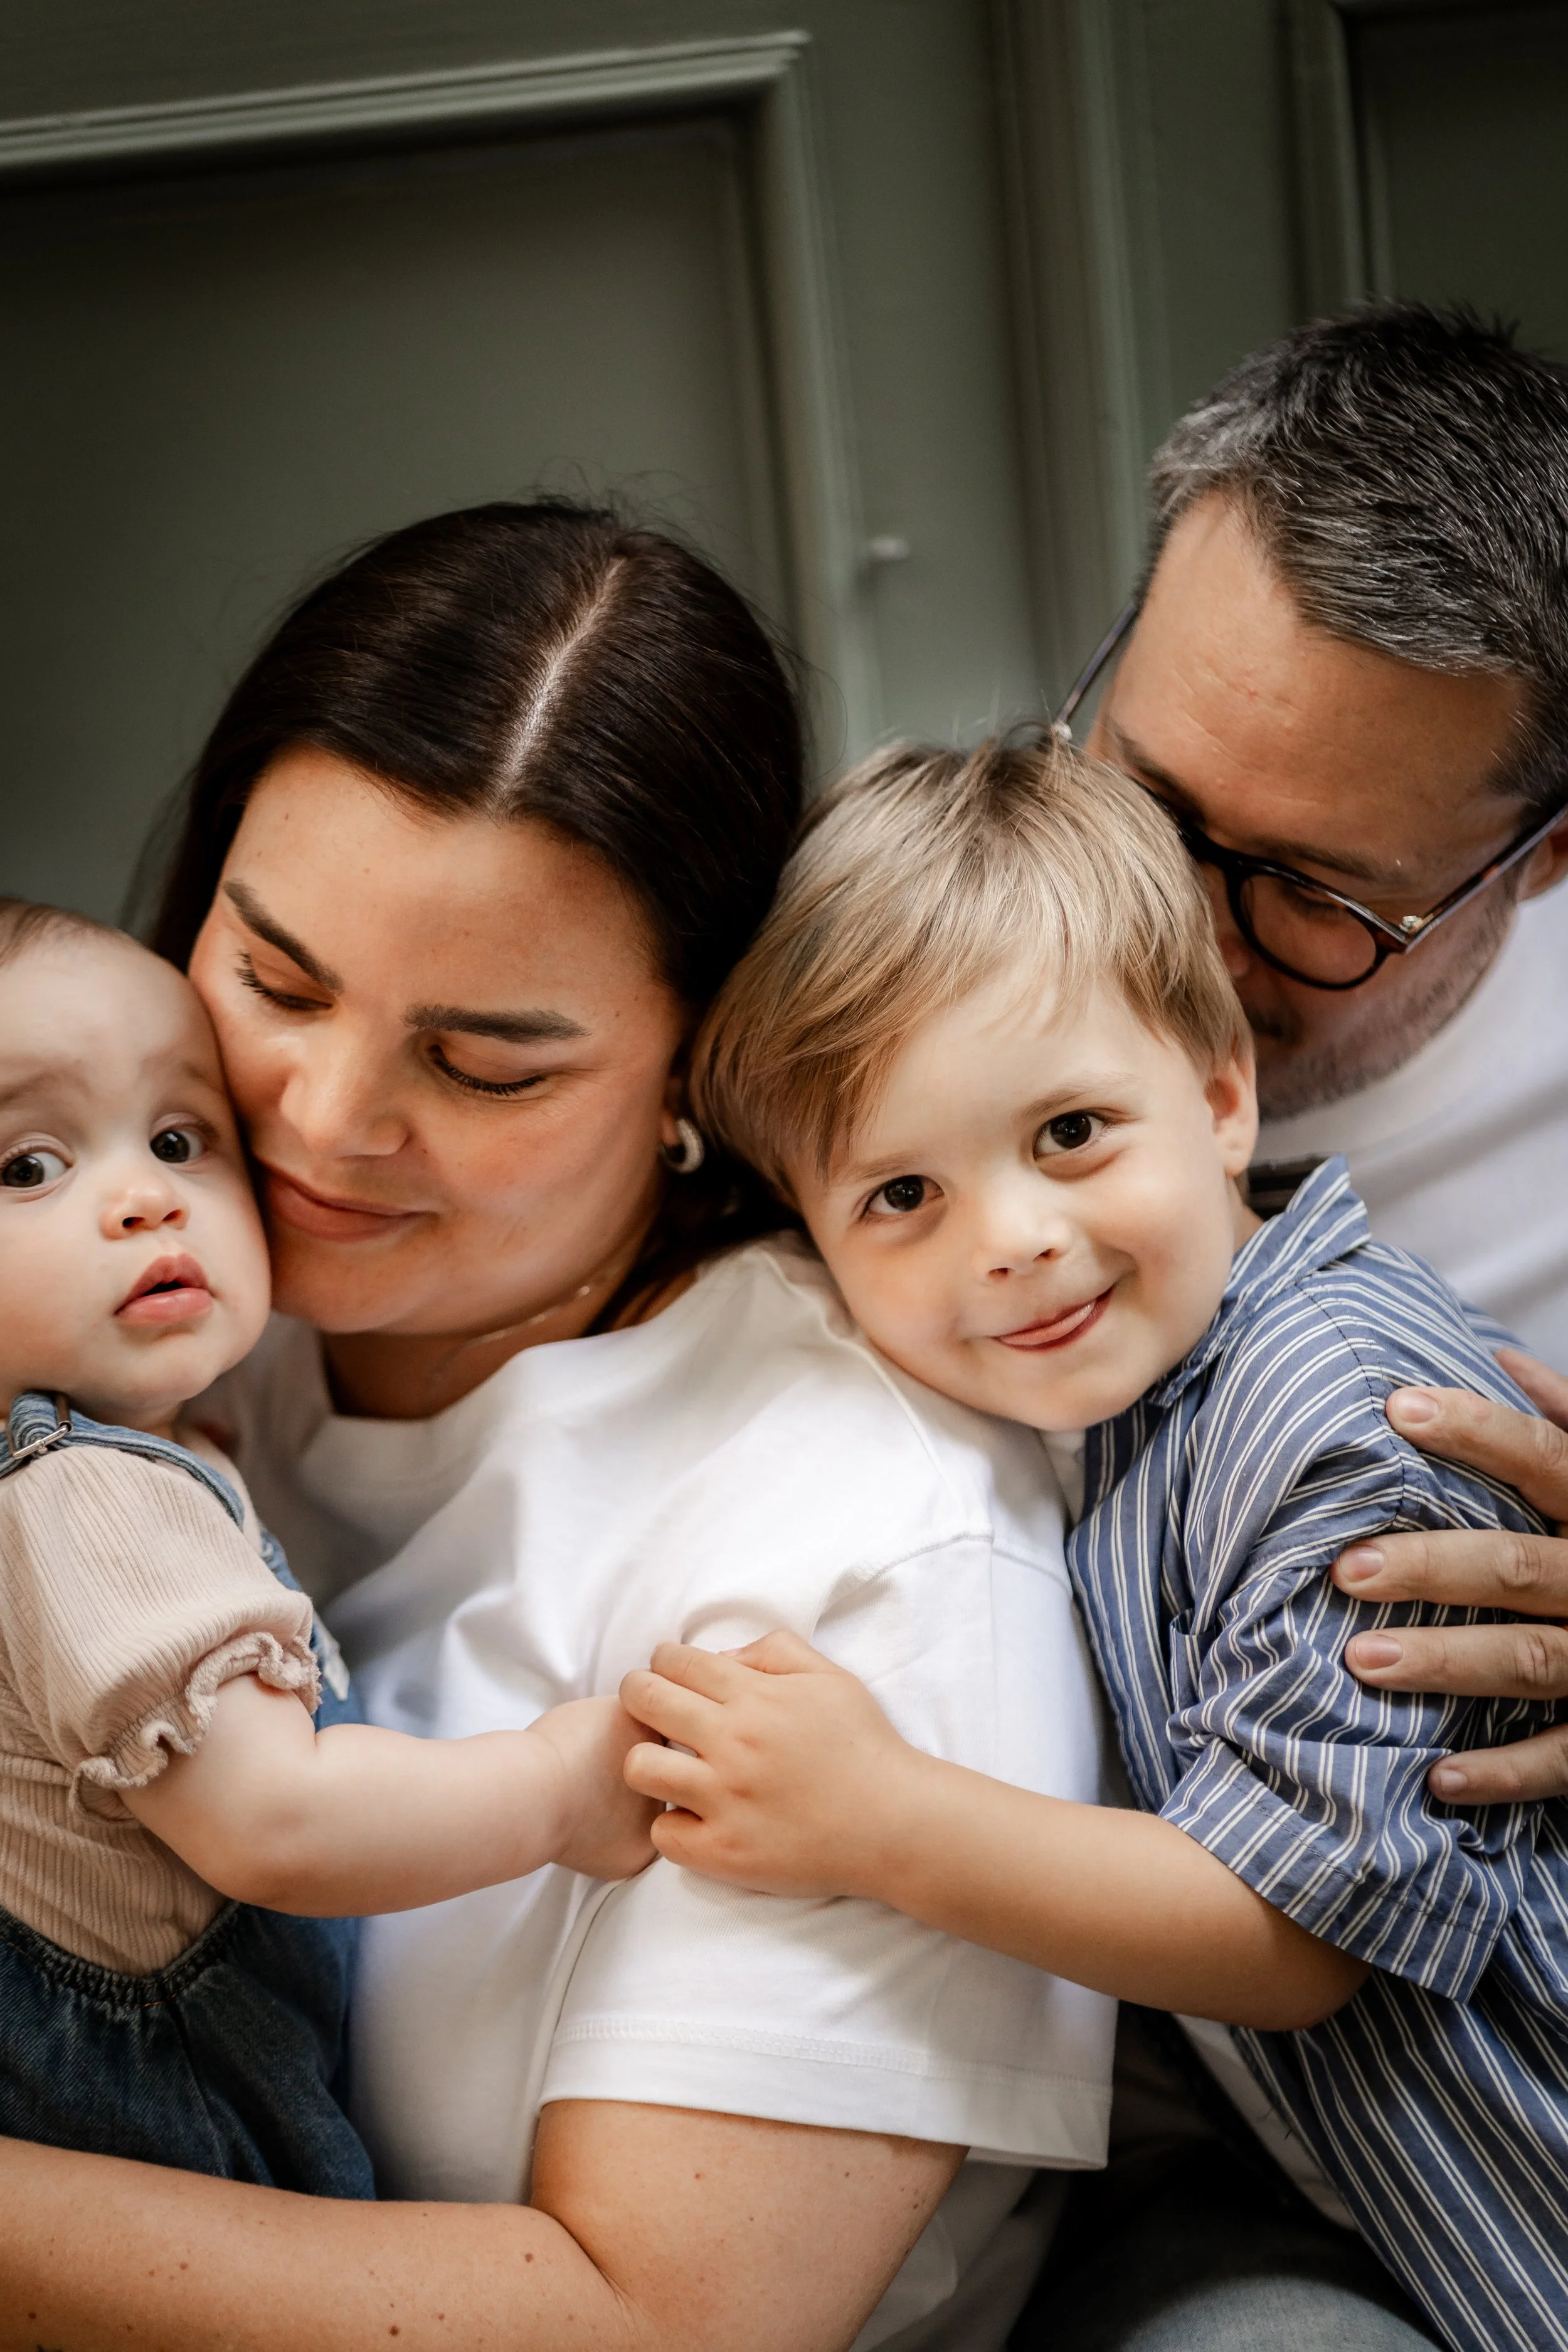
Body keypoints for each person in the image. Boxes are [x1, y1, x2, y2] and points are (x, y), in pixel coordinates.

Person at [0, 500, 1118, 2352]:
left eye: (483, 1061)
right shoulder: (165, 1313)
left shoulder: (862, 1532)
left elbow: (665, 2321)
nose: (325, 1116)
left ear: (694, 1069)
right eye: (274, 978)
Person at [627, 732, 1566, 2352]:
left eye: (1067, 1131)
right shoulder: (1127, 1385)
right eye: (902, 1193)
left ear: (1216, 1095)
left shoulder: (1344, 1432)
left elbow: (1286, 1934)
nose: (1013, 1240)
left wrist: (877, 1811)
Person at [0, 898, 654, 2191]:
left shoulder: (135, 1461)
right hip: (162, 2140)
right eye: (27, 1165)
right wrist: (552, 1789)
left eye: (180, 1138)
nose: (143, 1199)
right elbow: (276, 1824)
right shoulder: (87, 1496)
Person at [1056, 302, 1568, 1820]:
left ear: (1544, 860)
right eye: (1145, 803)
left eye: (1309, 896)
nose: (1177, 944)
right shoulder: (917, 907)